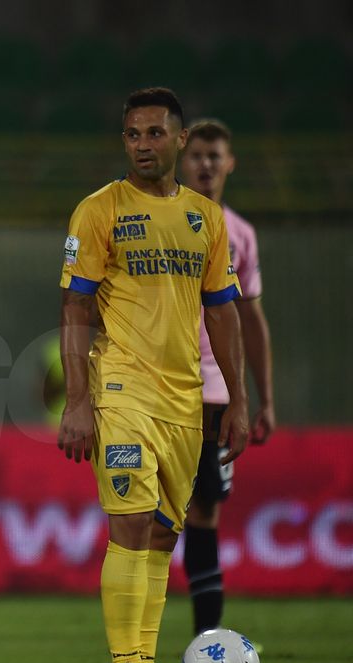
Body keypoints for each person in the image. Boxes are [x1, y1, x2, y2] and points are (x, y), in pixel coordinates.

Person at [57, 88, 249, 663]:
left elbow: (224, 313)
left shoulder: (206, 218)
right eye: (134, 135)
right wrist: (79, 399)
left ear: (180, 139)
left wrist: (238, 400)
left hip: (185, 400)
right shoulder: (98, 210)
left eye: (155, 133)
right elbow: (74, 306)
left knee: (165, 533)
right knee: (131, 522)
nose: (143, 144)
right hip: (121, 390)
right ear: (124, 142)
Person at [179, 119, 274, 635]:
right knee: (152, 517)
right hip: (160, 389)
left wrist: (263, 398)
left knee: (205, 512)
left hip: (216, 393)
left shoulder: (240, 234)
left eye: (215, 155)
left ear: (229, 163)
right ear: (182, 160)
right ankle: (135, 655)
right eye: (197, 155)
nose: (207, 164)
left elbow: (252, 320)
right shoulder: (158, 223)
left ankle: (205, 644)